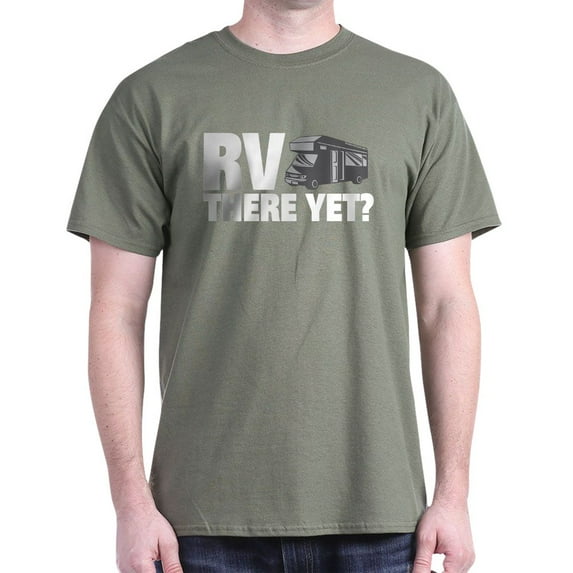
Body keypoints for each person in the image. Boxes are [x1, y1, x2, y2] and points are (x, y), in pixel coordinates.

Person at [66, 1, 501, 571]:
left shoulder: (418, 95)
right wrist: (130, 505)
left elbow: (446, 306)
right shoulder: (152, 97)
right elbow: (116, 309)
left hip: (383, 518)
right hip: (198, 524)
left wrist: (454, 494)